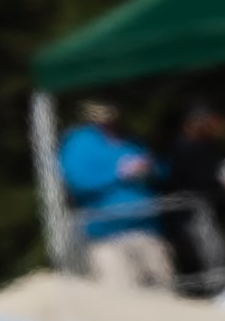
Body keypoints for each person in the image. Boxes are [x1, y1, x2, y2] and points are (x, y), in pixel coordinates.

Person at [59, 101, 174, 291]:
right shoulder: (78, 142)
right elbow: (77, 182)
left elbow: (161, 170)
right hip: (107, 237)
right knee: (124, 299)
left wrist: (150, 169)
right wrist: (119, 173)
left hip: (147, 230)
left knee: (165, 294)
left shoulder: (130, 139)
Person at [158, 104, 225, 278]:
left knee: (222, 257)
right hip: (195, 215)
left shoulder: (206, 146)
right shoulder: (185, 149)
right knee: (213, 262)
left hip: (212, 214)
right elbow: (200, 178)